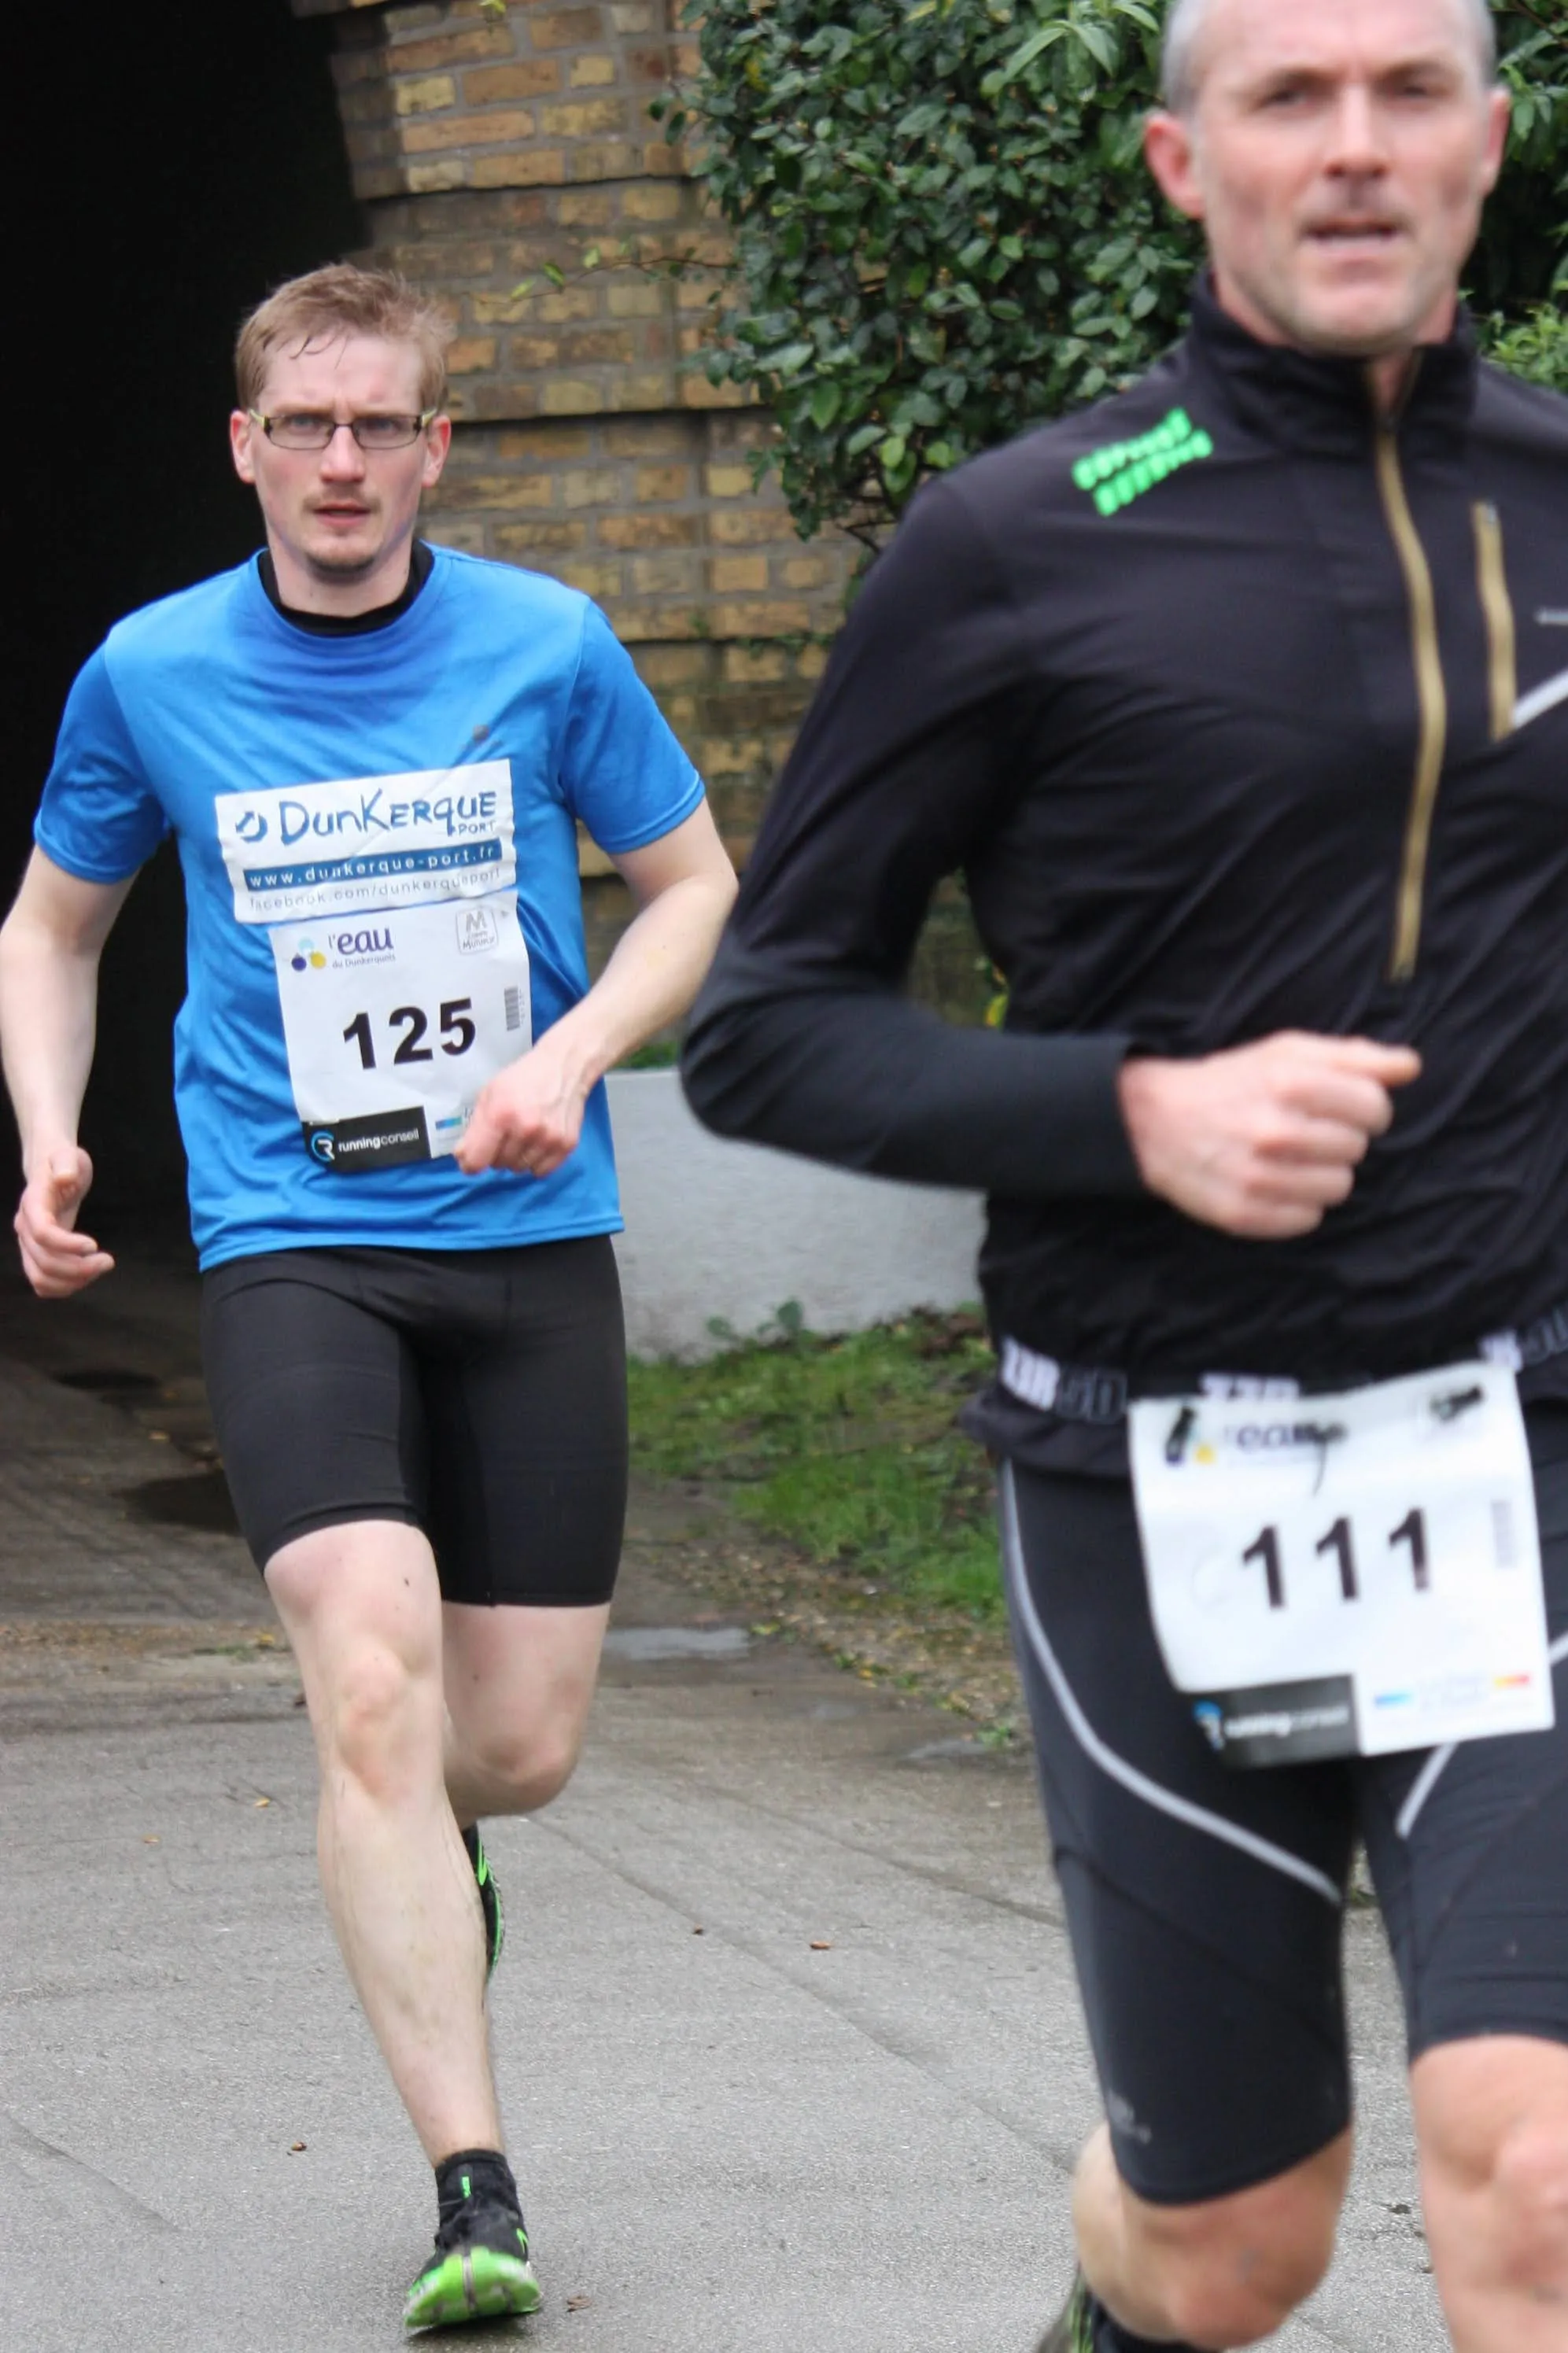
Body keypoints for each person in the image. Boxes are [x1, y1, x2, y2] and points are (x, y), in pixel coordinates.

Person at [681, 0, 1568, 2342]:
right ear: (1185, 164)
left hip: (1525, 1432)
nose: (1356, 147)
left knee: (1539, 2168)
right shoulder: (1017, 541)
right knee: (1235, 2245)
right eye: (1290, 97)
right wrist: (1130, 1112)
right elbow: (763, 1029)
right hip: (1153, 1465)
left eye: (1409, 92)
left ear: (1489, 141)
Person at [0, 262, 736, 2333]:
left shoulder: (548, 644)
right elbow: (53, 929)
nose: (342, 461)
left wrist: (574, 1054)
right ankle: (472, 2188)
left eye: (379, 424)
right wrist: (49, 1133)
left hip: (526, 1237)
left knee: (515, 1745)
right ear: (245, 447)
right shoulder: (151, 671)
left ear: (434, 448)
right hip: (290, 1235)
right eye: (305, 426)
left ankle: (432, 1842)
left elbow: (694, 888)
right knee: (375, 1687)